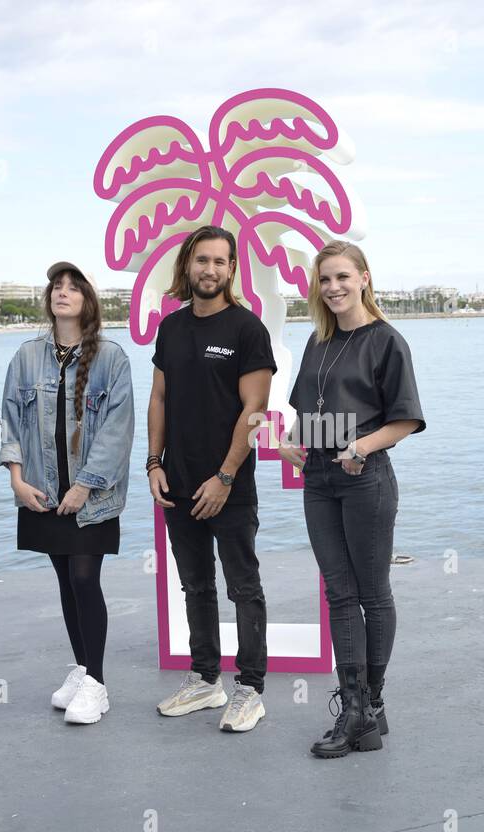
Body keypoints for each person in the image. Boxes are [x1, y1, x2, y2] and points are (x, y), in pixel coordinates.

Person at [279, 241, 425, 758]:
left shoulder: (387, 341)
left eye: (342, 277)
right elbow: (308, 408)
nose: (334, 287)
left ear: (364, 277)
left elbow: (404, 418)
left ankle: (371, 705)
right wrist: (289, 441)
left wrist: (360, 445)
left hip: (367, 479)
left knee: (372, 592)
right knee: (338, 594)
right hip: (319, 479)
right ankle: (356, 707)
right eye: (324, 280)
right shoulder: (318, 341)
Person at [148, 225, 276, 732]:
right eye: (202, 260)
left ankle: (250, 688)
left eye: (221, 262)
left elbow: (254, 409)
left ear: (232, 269)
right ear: (188, 266)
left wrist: (225, 476)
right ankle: (205, 679)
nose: (210, 270)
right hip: (177, 483)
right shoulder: (172, 328)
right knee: (195, 584)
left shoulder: (247, 329)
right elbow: (159, 397)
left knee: (243, 586)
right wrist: (154, 463)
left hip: (230, 485)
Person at [0, 262, 134, 725]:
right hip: (41, 491)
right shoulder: (26, 355)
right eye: (57, 287)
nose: (63, 293)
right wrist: (16, 480)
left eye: (73, 288)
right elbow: (11, 421)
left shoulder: (111, 357)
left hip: (91, 497)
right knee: (64, 582)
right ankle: (82, 669)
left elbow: (117, 431)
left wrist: (83, 486)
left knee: (83, 579)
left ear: (87, 300)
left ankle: (97, 684)